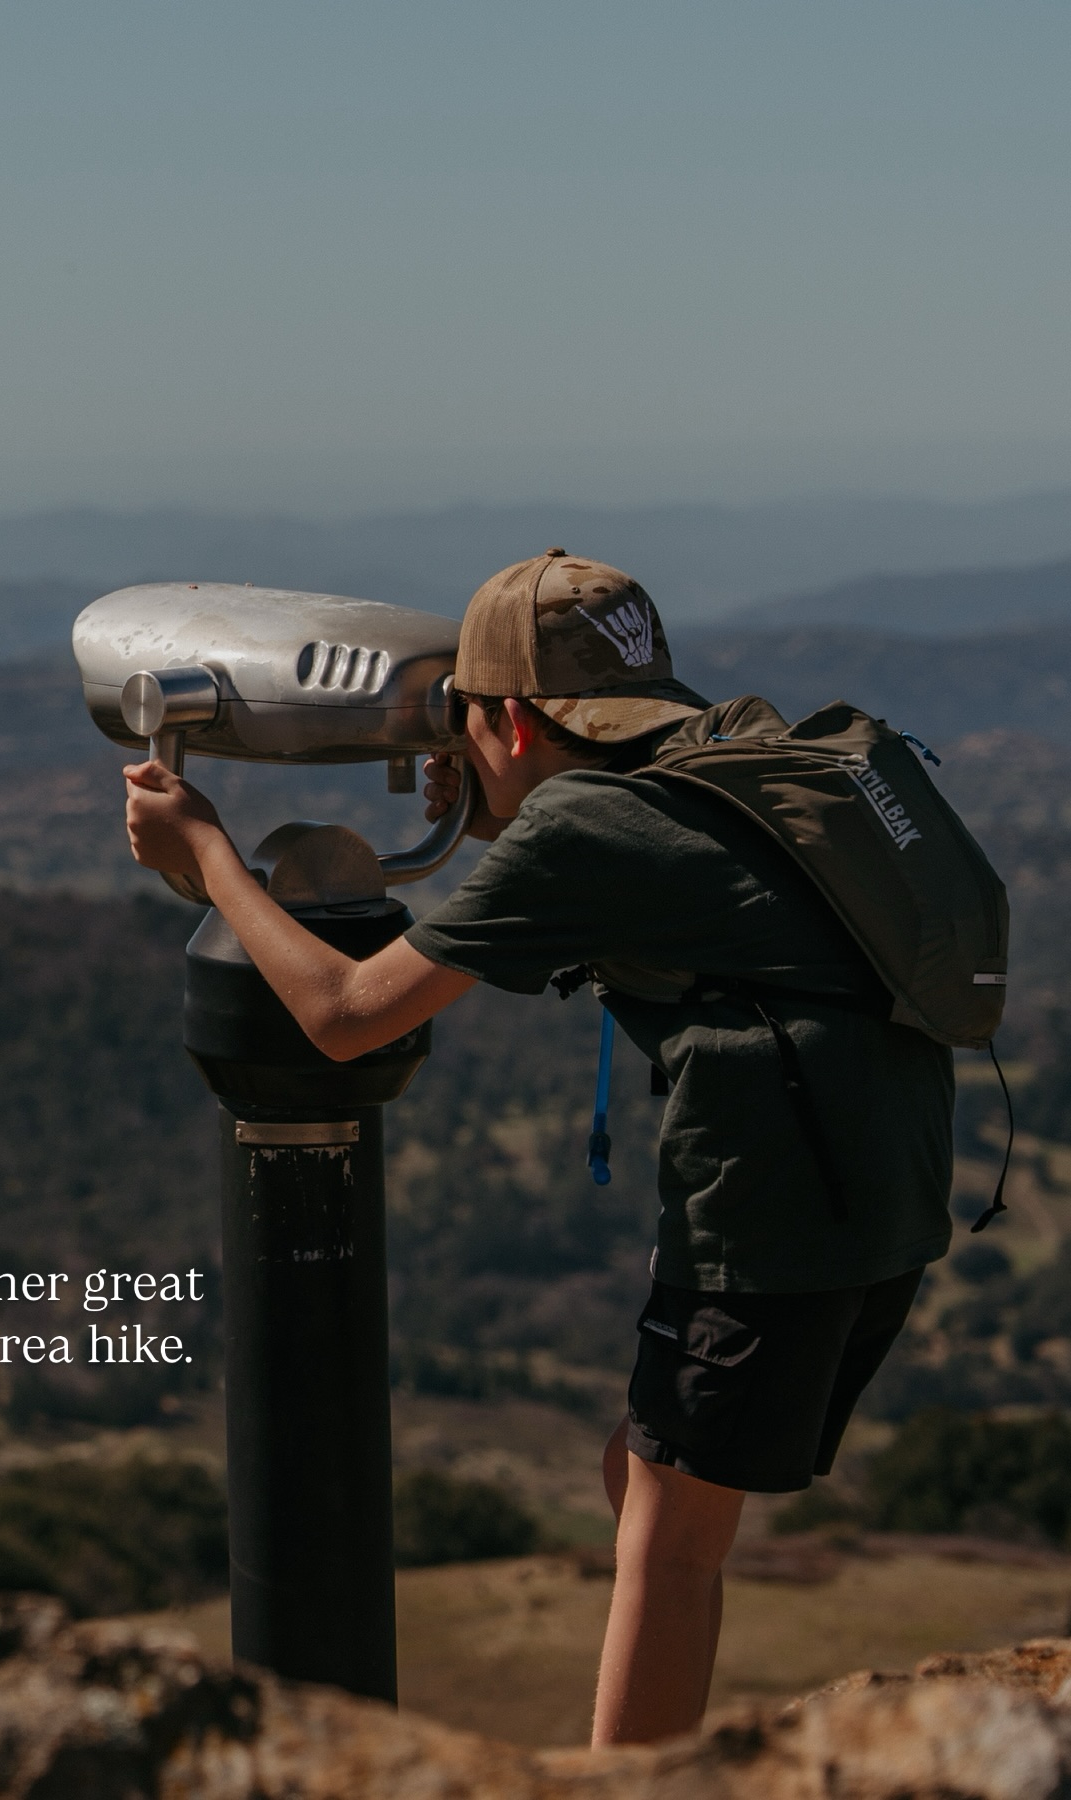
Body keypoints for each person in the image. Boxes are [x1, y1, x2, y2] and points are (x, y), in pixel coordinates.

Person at [123, 549, 953, 1746]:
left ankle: (622, 1785)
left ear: (508, 718)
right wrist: (489, 810)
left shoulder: (583, 830)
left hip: (774, 1213)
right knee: (645, 1473)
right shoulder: (706, 763)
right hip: (891, 1186)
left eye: (464, 724)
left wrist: (203, 851)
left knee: (671, 1546)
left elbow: (347, 1019)